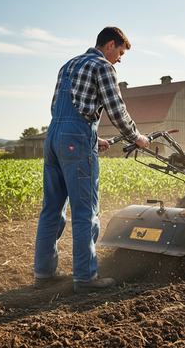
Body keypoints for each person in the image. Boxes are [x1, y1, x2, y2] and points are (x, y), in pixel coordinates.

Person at [33, 27, 149, 293]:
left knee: (51, 209)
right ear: (110, 45)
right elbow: (117, 110)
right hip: (75, 139)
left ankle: (44, 273)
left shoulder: (68, 65)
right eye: (120, 52)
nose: (119, 59)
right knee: (86, 211)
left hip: (53, 138)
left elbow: (59, 109)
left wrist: (93, 138)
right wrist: (137, 137)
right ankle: (85, 278)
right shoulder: (103, 67)